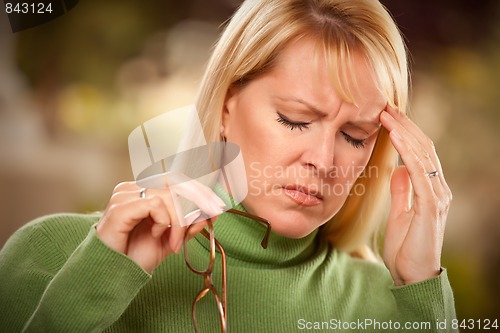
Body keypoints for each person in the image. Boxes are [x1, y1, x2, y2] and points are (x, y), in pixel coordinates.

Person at [0, 0, 457, 332]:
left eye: (354, 136)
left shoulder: (388, 306)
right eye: (294, 120)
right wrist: (92, 289)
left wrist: (421, 291)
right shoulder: (49, 256)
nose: (323, 161)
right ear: (225, 104)